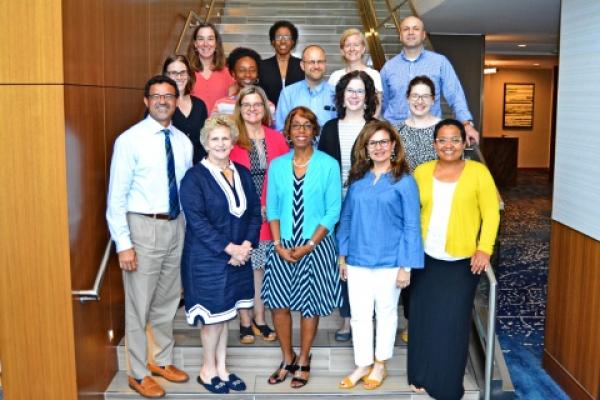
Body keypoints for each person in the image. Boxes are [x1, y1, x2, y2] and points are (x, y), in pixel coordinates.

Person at [106, 75, 192, 398]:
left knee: (168, 299)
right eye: (156, 96)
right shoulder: (129, 140)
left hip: (176, 225)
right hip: (142, 226)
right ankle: (138, 373)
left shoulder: (183, 141)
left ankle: (162, 360)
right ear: (146, 101)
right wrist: (123, 244)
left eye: (168, 96)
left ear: (175, 99)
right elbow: (116, 197)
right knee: (139, 304)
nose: (162, 101)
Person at [408, 119, 500, 399]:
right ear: (434, 144)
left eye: (455, 140)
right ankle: (420, 374)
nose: (448, 145)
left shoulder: (478, 172)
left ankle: (448, 384)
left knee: (453, 323)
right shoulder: (421, 172)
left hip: (461, 261)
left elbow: (491, 213)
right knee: (423, 319)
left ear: (464, 143)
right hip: (424, 258)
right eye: (442, 140)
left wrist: (485, 248)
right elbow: (410, 214)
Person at [337, 120, 423, 390]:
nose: (378, 147)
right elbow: (347, 218)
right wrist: (343, 256)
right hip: (358, 259)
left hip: (390, 261)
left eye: (383, 142)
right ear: (365, 148)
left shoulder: (405, 181)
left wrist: (406, 266)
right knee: (360, 315)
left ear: (393, 145)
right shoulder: (358, 179)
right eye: (373, 143)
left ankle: (380, 363)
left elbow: (412, 224)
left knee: (385, 313)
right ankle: (362, 363)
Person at [179, 115, 262, 395]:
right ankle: (207, 370)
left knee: (226, 314)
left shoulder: (242, 171)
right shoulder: (194, 177)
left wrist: (247, 245)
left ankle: (222, 368)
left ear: (233, 141)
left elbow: (253, 213)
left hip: (239, 256)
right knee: (212, 319)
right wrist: (230, 249)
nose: (221, 143)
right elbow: (198, 222)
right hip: (206, 259)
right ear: (205, 142)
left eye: (226, 138)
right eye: (215, 138)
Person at [262, 106, 342, 388]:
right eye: (296, 126)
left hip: (316, 247)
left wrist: (309, 245)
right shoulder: (277, 165)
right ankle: (287, 357)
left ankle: (305, 358)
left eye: (307, 125)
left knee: (310, 306)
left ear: (314, 131)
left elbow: (333, 211)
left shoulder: (329, 164)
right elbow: (271, 208)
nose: (301, 131)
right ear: (287, 131)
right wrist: (277, 244)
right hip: (282, 245)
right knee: (279, 305)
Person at [318, 70, 378, 342]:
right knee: (343, 263)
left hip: (366, 207)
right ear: (342, 96)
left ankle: (365, 319)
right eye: (349, 91)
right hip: (335, 206)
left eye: (360, 91)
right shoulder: (330, 127)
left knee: (364, 263)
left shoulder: (375, 128)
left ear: (367, 98)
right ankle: (346, 319)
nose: (354, 96)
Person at [229, 86, 289, 344]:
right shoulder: (230, 139)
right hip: (239, 213)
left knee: (260, 268)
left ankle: (260, 318)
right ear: (239, 109)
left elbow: (284, 177)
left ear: (265, 109)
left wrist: (268, 207)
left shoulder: (276, 138)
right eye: (247, 104)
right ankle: (244, 321)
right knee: (241, 265)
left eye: (257, 104)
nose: (252, 109)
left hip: (269, 213)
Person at [380, 16, 479, 144]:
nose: (410, 32)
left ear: (423, 35)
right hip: (395, 135)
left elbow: (455, 95)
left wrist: (466, 124)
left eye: (416, 29)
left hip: (429, 134)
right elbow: (383, 102)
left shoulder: (440, 62)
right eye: (406, 29)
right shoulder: (388, 67)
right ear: (400, 36)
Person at [394, 75, 441, 343]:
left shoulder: (444, 130)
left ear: (433, 100)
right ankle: (412, 321)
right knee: (409, 266)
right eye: (415, 96)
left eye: (425, 96)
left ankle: (429, 320)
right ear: (407, 99)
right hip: (403, 210)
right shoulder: (397, 131)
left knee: (432, 268)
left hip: (437, 210)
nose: (420, 101)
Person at [274, 45, 336, 132]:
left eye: (320, 61)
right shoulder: (288, 93)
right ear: (302, 65)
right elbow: (280, 130)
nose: (316, 66)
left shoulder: (336, 93)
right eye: (311, 62)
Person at [163, 54, 208, 164]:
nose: (179, 77)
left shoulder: (199, 105)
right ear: (166, 76)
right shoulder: (159, 104)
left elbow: (205, 140)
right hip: (170, 170)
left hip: (197, 171)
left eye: (183, 72)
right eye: (173, 73)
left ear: (189, 75)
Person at [328, 28, 383, 117]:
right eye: (348, 45)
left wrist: (368, 129)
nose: (352, 49)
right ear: (342, 50)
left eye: (356, 45)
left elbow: (377, 108)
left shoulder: (374, 75)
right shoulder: (335, 76)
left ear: (363, 49)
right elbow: (332, 106)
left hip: (367, 128)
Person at [212, 47, 275, 116]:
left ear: (257, 74)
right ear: (233, 74)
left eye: (252, 70)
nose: (247, 74)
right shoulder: (222, 105)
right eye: (242, 70)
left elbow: (270, 126)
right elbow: (211, 126)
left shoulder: (269, 106)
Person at [187, 22, 234, 112]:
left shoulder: (227, 73)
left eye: (210, 39)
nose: (205, 44)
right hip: (194, 125)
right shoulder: (186, 73)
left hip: (220, 124)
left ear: (216, 43)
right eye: (201, 39)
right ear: (195, 44)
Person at [259, 20, 305, 105]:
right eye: (278, 37)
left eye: (287, 37)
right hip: (269, 114)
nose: (283, 41)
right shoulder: (262, 66)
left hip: (296, 114)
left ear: (293, 42)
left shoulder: (302, 65)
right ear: (273, 41)